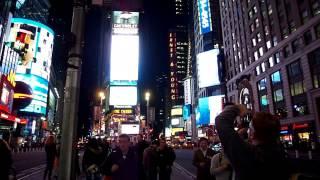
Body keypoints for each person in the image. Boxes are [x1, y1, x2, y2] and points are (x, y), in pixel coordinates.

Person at [215, 104, 290, 180]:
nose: (247, 131)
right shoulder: (280, 153)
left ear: (252, 134)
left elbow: (220, 120)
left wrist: (237, 108)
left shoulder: (250, 154)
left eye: (250, 128)